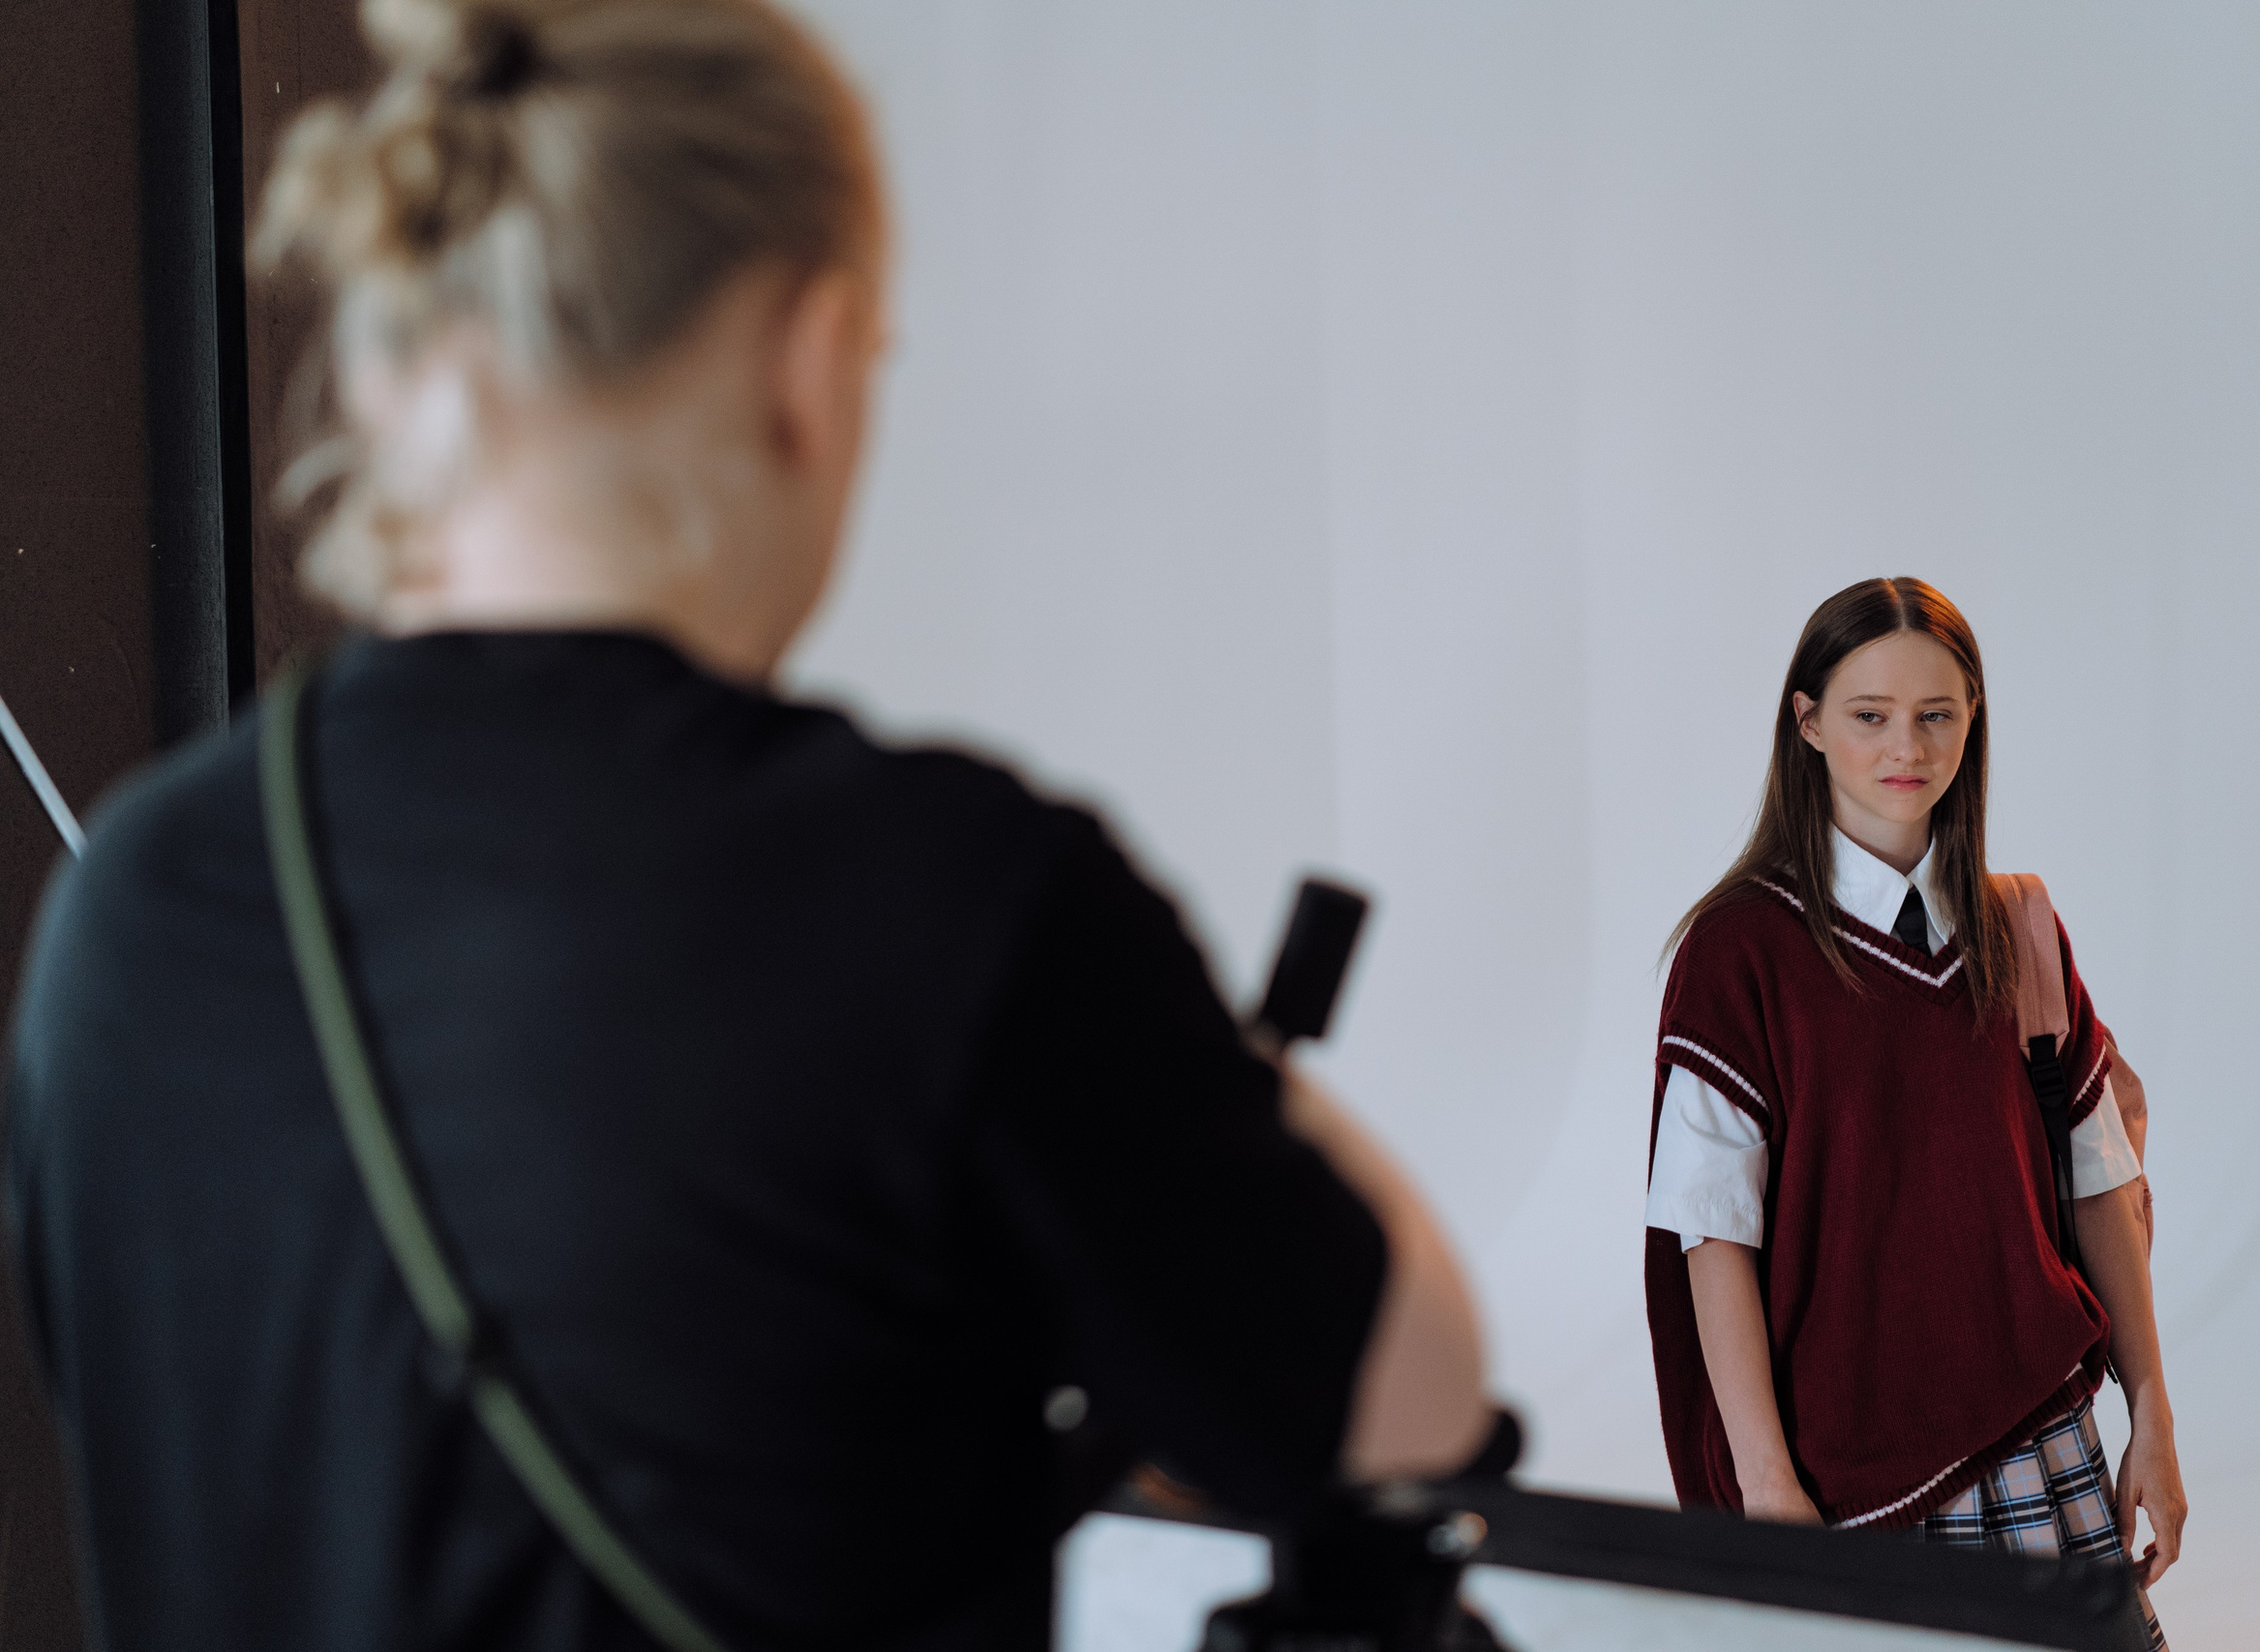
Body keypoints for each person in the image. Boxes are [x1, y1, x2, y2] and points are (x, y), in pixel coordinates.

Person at [2, 2, 1489, 1648]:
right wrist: (1207, 1065)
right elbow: (1406, 1404)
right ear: (806, 357)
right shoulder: (950, 895)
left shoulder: (136, 908)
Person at [1641, 577, 2185, 1648]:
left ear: (1972, 717)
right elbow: (1713, 1238)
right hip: (1843, 1472)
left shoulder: (2014, 926)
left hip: (2039, 1436)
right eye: (1869, 715)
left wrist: (2152, 1414)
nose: (1908, 746)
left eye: (1937, 714)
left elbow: (2100, 1187)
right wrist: (1766, 1486)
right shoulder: (1738, 953)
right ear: (1806, 724)